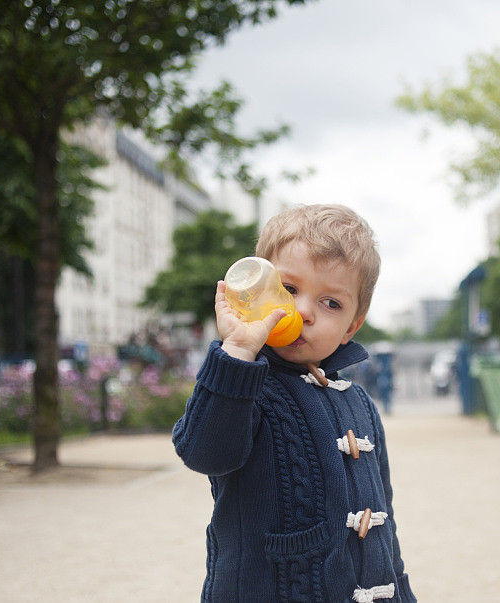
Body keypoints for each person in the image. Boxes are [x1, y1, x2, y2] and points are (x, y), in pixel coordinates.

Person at [173, 204, 416, 602]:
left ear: (351, 327)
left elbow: (381, 517)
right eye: (287, 289)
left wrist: (398, 590)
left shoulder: (360, 404)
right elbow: (204, 453)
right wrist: (236, 350)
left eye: (331, 303)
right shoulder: (245, 385)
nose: (302, 311)